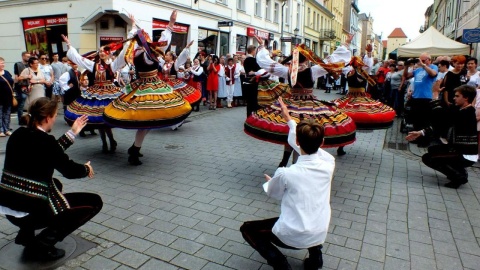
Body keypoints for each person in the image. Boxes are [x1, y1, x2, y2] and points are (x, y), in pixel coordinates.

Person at [0, 97, 102, 260]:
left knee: (55, 184)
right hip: (28, 211)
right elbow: (69, 170)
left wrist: (73, 132)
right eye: (55, 116)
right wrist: (86, 169)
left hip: (8, 207)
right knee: (94, 202)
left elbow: (49, 152)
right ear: (48, 118)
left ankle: (26, 234)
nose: (55, 119)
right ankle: (41, 245)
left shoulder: (18, 134)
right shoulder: (46, 142)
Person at [240, 97, 334, 270]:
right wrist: (290, 120)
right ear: (322, 143)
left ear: (297, 142)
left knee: (247, 229)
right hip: (320, 230)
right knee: (312, 213)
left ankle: (281, 265)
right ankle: (315, 259)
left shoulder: (286, 173)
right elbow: (305, 146)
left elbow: (273, 193)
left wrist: (271, 182)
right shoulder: (329, 162)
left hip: (292, 234)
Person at [245, 34, 356, 162]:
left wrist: (261, 46)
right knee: (303, 133)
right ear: (307, 59)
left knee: (292, 130)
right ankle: (296, 162)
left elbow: (265, 62)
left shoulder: (287, 71)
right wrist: (346, 43)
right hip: (309, 106)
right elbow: (334, 59)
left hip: (291, 104)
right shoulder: (313, 70)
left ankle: (285, 160)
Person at [103, 10, 192, 165]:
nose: (148, 38)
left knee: (148, 122)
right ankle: (134, 151)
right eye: (146, 37)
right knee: (147, 121)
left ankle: (135, 148)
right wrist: (171, 23)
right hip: (148, 88)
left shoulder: (138, 51)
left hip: (145, 86)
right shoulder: (146, 52)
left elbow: (119, 62)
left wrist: (133, 25)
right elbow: (164, 42)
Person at [61, 28, 130, 152]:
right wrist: (69, 45)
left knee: (105, 121)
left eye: (104, 51)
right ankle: (105, 142)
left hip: (109, 94)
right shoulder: (93, 65)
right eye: (100, 51)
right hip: (96, 93)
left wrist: (131, 36)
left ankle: (111, 141)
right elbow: (77, 58)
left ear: (109, 53)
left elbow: (123, 55)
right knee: (99, 121)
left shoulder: (112, 65)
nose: (102, 53)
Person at [406, 85, 477, 189]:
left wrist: (435, 95)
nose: (454, 98)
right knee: (432, 150)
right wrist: (421, 132)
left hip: (465, 154)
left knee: (429, 158)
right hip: (457, 149)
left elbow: (440, 116)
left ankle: (458, 177)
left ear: (466, 98)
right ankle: (459, 170)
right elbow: (441, 124)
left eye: (457, 96)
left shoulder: (468, 113)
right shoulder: (460, 109)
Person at [403, 52, 438, 147]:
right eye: (420, 60)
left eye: (423, 60)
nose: (420, 62)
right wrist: (406, 66)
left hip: (426, 98)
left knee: (425, 120)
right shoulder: (417, 70)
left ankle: (425, 141)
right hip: (416, 98)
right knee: (416, 120)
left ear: (429, 60)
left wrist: (423, 65)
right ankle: (417, 138)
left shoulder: (433, 67)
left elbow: (433, 74)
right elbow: (406, 76)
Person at [243, 45, 261, 116]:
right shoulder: (253, 60)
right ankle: (253, 117)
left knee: (249, 102)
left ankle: (249, 116)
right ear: (253, 51)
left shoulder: (246, 60)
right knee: (254, 100)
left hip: (248, 81)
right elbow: (259, 70)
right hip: (254, 82)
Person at [13, 51, 31, 122]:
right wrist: (26, 76)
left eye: (29, 56)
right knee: (22, 102)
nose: (28, 58)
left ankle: (28, 119)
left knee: (29, 102)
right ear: (23, 56)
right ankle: (20, 119)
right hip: (21, 86)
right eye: (27, 56)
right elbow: (17, 77)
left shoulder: (30, 65)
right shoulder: (18, 64)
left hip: (29, 85)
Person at [0, 57, 14, 136]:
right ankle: (1, 130)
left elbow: (12, 81)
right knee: (0, 114)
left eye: (3, 63)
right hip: (0, 98)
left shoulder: (7, 72)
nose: (3, 64)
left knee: (7, 114)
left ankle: (7, 129)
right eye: (1, 63)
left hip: (8, 97)